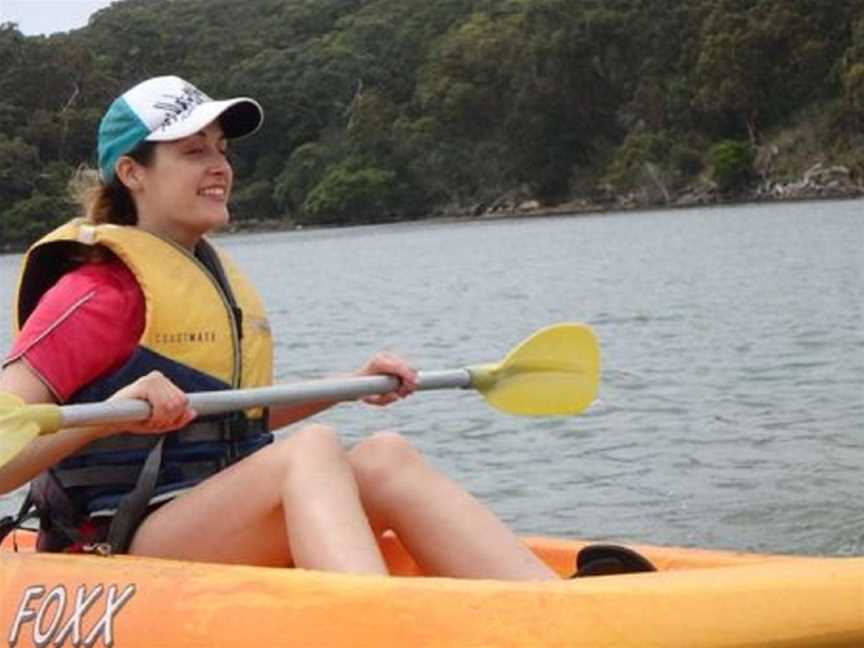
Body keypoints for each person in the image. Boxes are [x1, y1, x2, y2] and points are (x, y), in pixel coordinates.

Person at [0, 76, 557, 580]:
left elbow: (232, 419)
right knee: (308, 452)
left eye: (222, 150)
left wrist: (353, 383)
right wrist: (105, 419)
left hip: (205, 518)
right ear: (132, 172)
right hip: (116, 549)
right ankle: (375, 623)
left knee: (385, 456)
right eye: (194, 152)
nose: (219, 166)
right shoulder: (94, 295)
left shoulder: (209, 280)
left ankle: (556, 613)